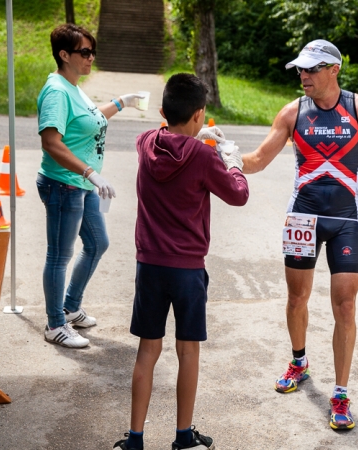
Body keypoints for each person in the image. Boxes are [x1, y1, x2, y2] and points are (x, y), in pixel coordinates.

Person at [241, 39, 358, 430]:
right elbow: (258, 160)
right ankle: (299, 362)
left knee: (345, 306)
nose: (304, 75)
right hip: (302, 217)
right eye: (301, 69)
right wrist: (223, 154)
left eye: (312, 69)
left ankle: (340, 393)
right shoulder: (291, 113)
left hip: (346, 219)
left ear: (334, 70)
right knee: (297, 297)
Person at [113, 73, 248, 450]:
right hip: (187, 269)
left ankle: (135, 438)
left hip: (150, 265)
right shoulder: (205, 156)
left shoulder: (145, 143)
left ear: (162, 111)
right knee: (187, 350)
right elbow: (238, 196)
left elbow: (167, 135)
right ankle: (183, 437)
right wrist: (230, 159)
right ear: (200, 113)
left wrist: (194, 132)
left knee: (147, 349)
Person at [37, 24, 146, 348]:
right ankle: (55, 324)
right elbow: (50, 142)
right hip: (64, 185)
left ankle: (70, 306)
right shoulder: (56, 90)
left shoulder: (74, 85)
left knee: (98, 243)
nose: (91, 58)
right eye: (84, 52)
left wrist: (122, 102)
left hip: (80, 185)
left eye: (92, 51)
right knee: (59, 255)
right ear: (64, 54)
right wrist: (89, 173)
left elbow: (90, 117)